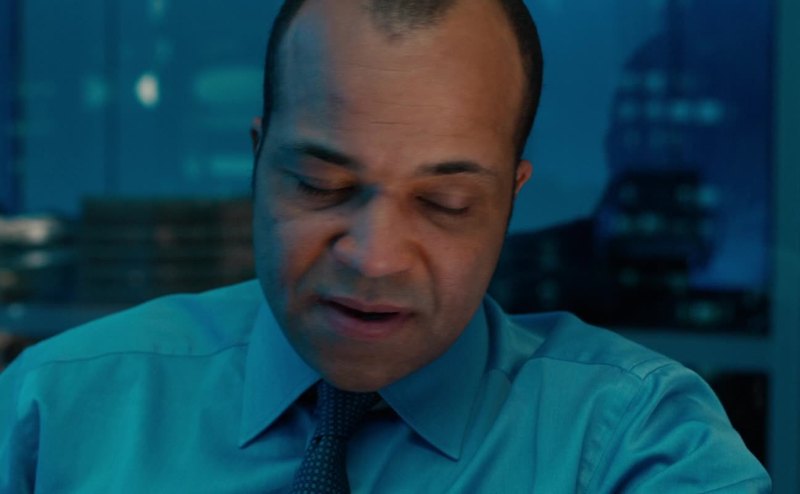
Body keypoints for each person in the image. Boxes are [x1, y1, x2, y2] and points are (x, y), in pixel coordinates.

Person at [0, 0, 771, 492]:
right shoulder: (54, 413)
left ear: (510, 200)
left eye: (444, 204)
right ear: (258, 161)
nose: (374, 259)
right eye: (320, 185)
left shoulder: (634, 441)